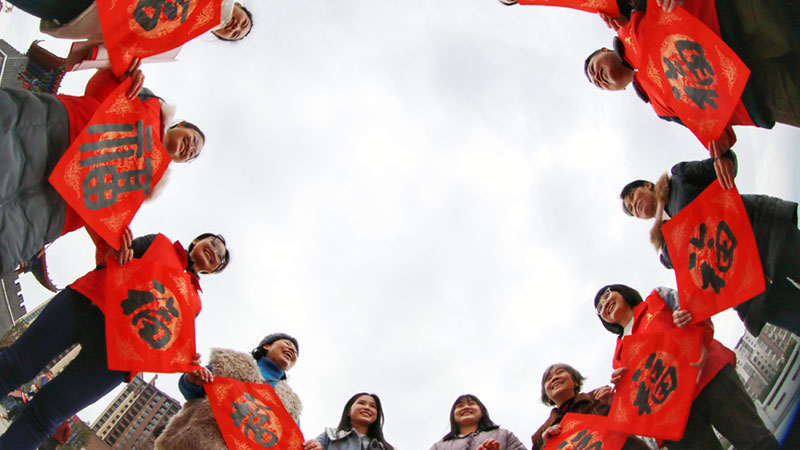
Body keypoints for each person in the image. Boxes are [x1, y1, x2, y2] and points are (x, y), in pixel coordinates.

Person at [0, 231, 229, 449]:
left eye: (219, 259)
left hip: (114, 358)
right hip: (87, 304)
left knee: (47, 415)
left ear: (211, 270)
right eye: (214, 243)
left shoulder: (194, 304)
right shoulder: (158, 243)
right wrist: (117, 251)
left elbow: (166, 341)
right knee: (15, 365)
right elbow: (108, 258)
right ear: (197, 241)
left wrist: (186, 358)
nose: (215, 252)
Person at [0, 61, 206, 279]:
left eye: (192, 154)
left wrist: (114, 245)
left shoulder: (147, 183)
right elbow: (99, 88)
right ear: (181, 124)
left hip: (56, 207)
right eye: (194, 140)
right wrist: (121, 72)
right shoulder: (149, 103)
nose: (190, 148)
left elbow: (104, 215)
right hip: (54, 132)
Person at [583, 0, 800, 183]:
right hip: (759, 94)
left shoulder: (628, 21)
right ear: (618, 89)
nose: (597, 78)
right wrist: (722, 155)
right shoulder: (660, 109)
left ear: (605, 50)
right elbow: (704, 126)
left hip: (736, 23)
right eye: (597, 83)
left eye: (594, 68)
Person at [618, 151, 799, 337]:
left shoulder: (679, 178)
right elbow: (696, 286)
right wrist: (685, 313)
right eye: (632, 209)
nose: (634, 206)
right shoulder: (667, 252)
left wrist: (725, 160)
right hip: (751, 289)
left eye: (632, 197)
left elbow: (722, 164)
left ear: (648, 185)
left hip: (766, 236)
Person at [593, 283, 778, 449]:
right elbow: (638, 400)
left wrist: (691, 324)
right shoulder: (619, 356)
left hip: (709, 377)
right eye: (600, 307)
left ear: (623, 291)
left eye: (607, 294)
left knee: (755, 440)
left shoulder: (658, 298)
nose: (605, 303)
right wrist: (617, 397)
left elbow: (696, 309)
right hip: (676, 419)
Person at [155, 333, 302, 450]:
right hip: (195, 442)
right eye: (287, 344)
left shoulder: (290, 403)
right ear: (267, 346)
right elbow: (191, 389)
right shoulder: (230, 363)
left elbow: (289, 443)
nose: (292, 350)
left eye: (295, 352)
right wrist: (192, 380)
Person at [8, 0, 252, 43]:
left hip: (81, 16)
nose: (236, 27)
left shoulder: (174, 42)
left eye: (236, 34)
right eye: (243, 22)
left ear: (218, 35)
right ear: (237, 5)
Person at [531, 363, 650, 450]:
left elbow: (643, 420)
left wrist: (616, 402)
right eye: (548, 379)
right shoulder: (540, 436)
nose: (554, 378)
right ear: (546, 396)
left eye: (560, 372)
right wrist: (548, 446)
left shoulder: (600, 397)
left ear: (575, 381)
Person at [428, 394, 526, 450]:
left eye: (471, 403)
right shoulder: (439, 447)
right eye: (460, 406)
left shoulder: (503, 435)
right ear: (453, 415)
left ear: (482, 412)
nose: (466, 407)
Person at [302, 393, 394, 450]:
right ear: (348, 411)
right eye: (361, 403)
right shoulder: (329, 437)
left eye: (373, 406)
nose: (367, 407)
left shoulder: (385, 448)